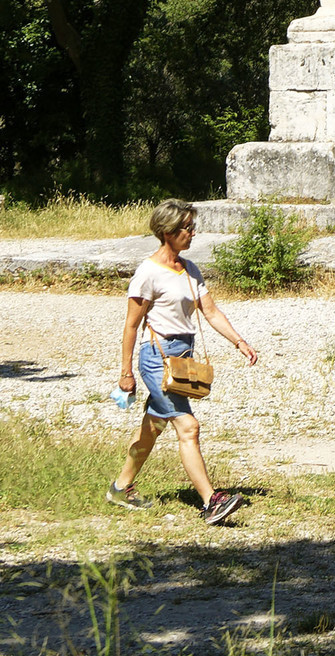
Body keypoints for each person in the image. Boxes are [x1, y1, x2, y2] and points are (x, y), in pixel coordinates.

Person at [108, 197, 257, 523]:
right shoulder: (148, 272)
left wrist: (239, 342)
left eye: (192, 227)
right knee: (188, 427)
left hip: (183, 359)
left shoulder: (190, 269)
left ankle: (120, 487)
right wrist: (126, 372)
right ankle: (211, 501)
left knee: (155, 425)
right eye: (186, 228)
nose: (192, 233)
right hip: (156, 358)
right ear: (167, 231)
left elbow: (211, 312)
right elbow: (131, 325)